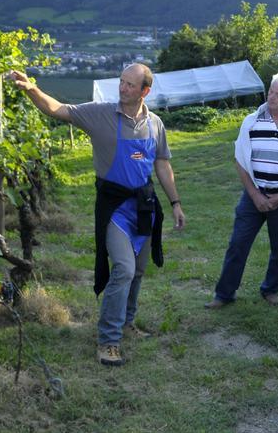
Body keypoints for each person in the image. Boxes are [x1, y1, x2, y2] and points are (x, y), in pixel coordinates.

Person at [10, 64, 186, 367]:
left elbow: (162, 165)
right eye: (121, 82)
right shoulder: (101, 114)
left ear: (145, 91)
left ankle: (127, 321)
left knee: (140, 270)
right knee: (124, 269)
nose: (123, 88)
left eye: (131, 85)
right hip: (115, 208)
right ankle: (109, 340)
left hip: (143, 207)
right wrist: (31, 90)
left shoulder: (155, 124)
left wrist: (175, 203)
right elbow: (57, 109)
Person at [207, 74, 278, 308]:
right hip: (253, 195)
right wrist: (255, 194)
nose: (272, 97)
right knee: (238, 243)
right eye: (270, 92)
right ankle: (224, 294)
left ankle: (271, 289)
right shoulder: (251, 121)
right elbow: (240, 160)